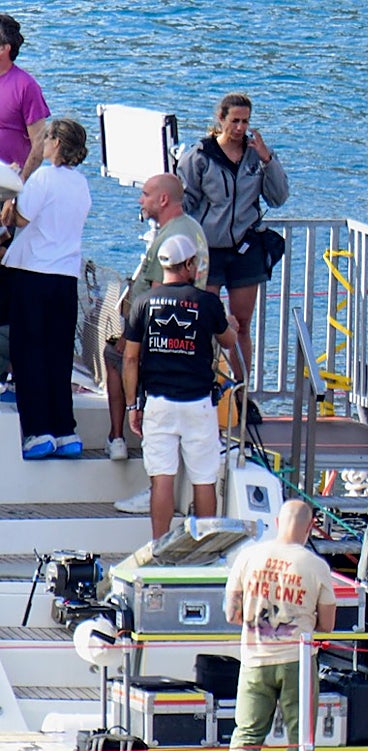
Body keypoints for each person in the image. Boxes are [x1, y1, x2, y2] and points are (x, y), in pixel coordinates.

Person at [211, 500, 336, 751]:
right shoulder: (316, 565)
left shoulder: (248, 556)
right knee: (299, 738)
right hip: (297, 661)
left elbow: (231, 613)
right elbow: (327, 624)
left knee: (246, 732)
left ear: (278, 521)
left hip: (254, 658)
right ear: (309, 528)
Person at [122, 235, 237, 539]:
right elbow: (228, 341)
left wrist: (133, 405)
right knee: (203, 480)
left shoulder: (143, 302)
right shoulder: (206, 302)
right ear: (187, 265)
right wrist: (232, 326)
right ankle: (204, 550)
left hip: (158, 402)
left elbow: (131, 359)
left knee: (161, 480)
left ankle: (159, 546)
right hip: (198, 402)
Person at [178, 92, 289, 382]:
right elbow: (185, 200)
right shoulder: (201, 155)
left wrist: (268, 159)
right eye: (235, 121)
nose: (240, 128)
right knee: (208, 322)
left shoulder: (255, 155)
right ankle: (205, 385)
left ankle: (241, 393)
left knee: (241, 325)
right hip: (209, 250)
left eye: (245, 122)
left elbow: (278, 198)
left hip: (245, 248)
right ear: (221, 119)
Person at [0, 118, 89, 460]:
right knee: (58, 354)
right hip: (65, 275)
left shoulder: (43, 178)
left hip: (34, 274)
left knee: (29, 353)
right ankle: (65, 429)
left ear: (53, 143)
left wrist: (10, 190)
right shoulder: (80, 183)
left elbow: (17, 219)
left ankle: (38, 431)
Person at [105, 173, 210, 463]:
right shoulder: (189, 228)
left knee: (114, 356)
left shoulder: (173, 236)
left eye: (147, 194)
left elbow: (161, 297)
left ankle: (118, 438)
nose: (141, 199)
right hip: (186, 331)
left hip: (162, 336)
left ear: (163, 199)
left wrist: (131, 339)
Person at [0, 16, 49, 181]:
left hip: (8, 186)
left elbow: (39, 144)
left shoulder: (26, 86)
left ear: (4, 49)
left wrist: (19, 184)